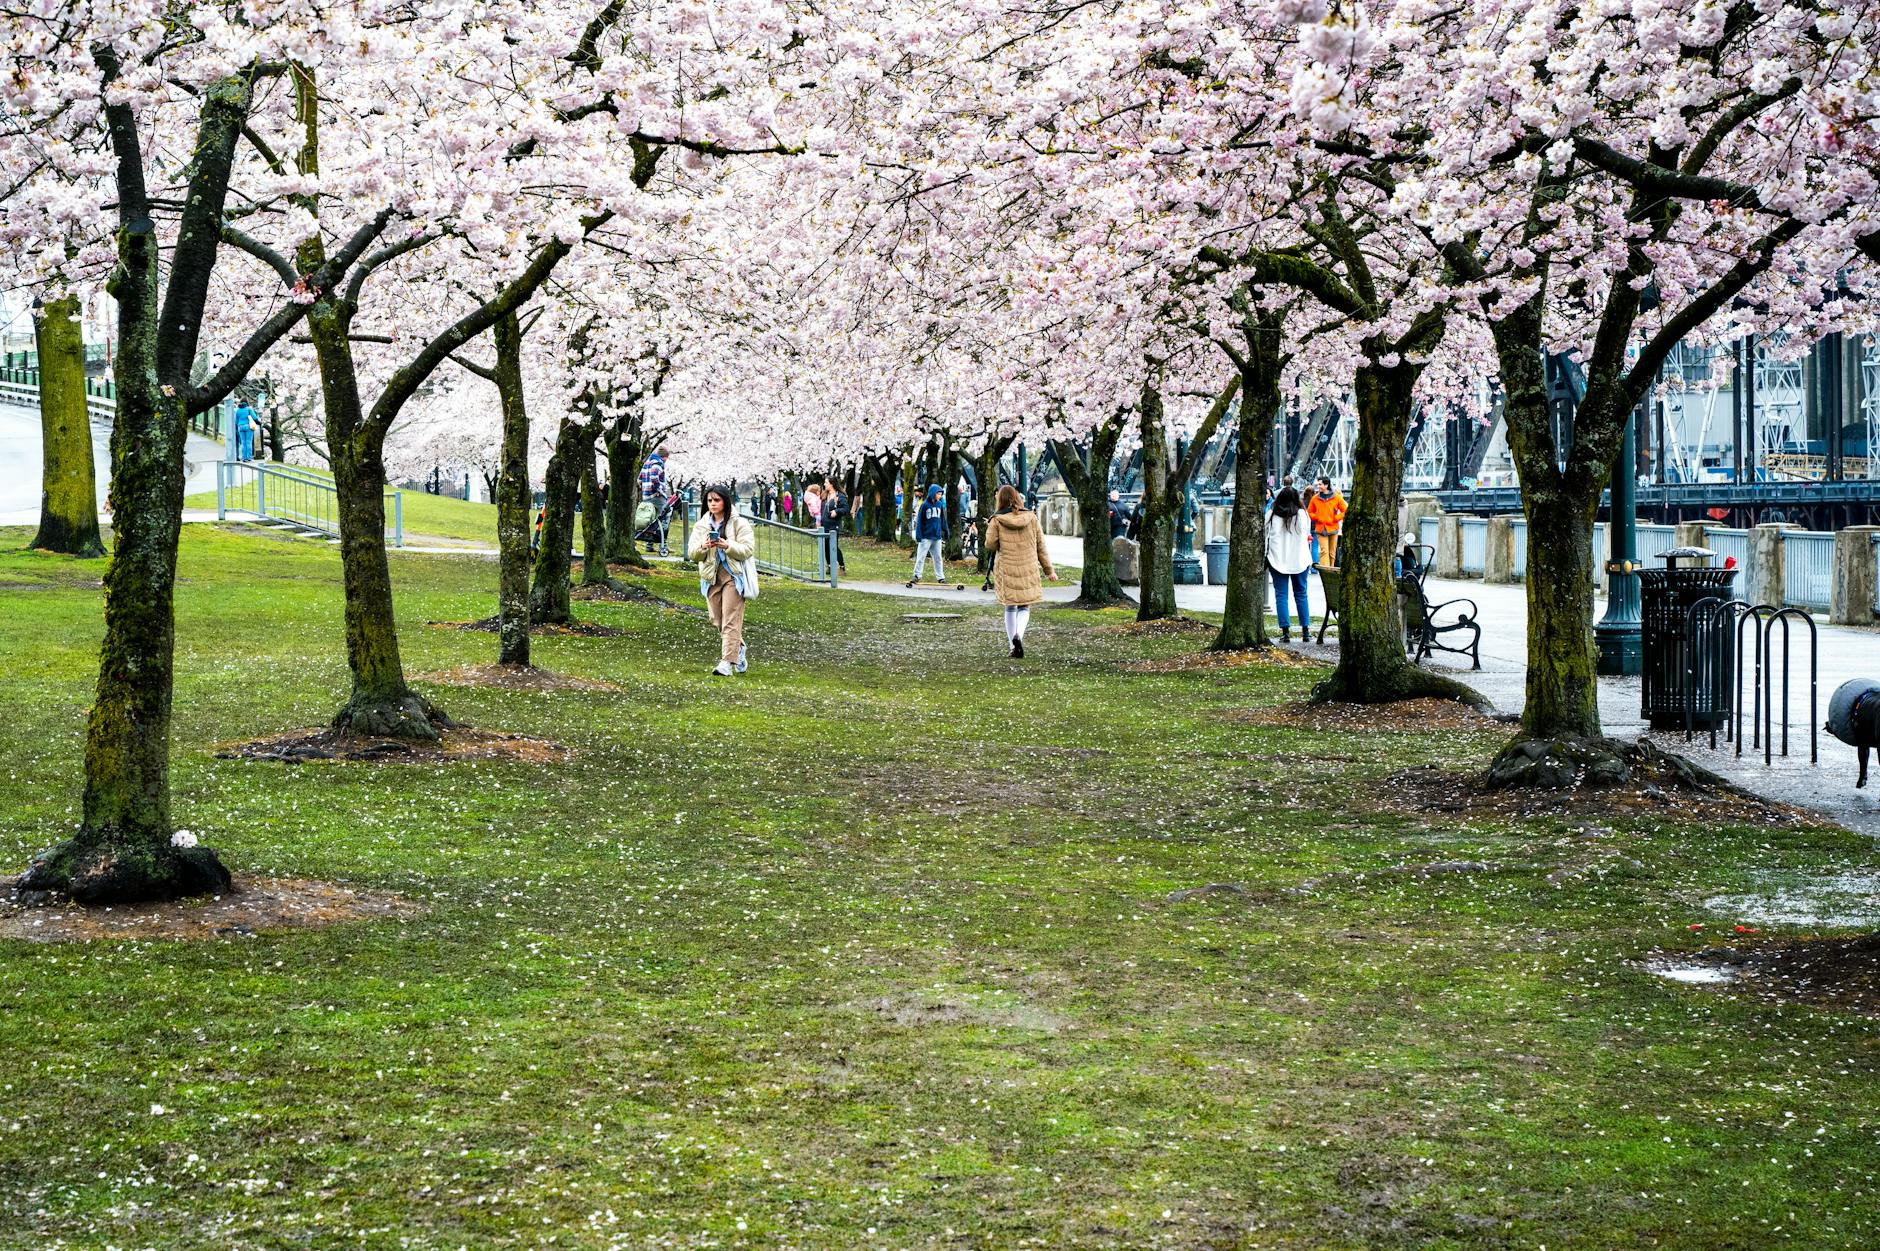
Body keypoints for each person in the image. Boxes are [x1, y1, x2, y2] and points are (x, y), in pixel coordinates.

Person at [685, 485, 756, 676]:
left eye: (717, 500)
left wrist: (727, 545)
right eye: (709, 500)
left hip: (733, 576)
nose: (713, 504)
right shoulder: (701, 525)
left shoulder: (739, 523)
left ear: (725, 501)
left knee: (731, 619)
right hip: (711, 576)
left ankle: (726, 663)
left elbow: (748, 549)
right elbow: (692, 553)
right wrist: (704, 546)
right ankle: (738, 648)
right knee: (717, 620)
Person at [984, 484, 1056, 658]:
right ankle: (1019, 635)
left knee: (1010, 606)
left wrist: (989, 527)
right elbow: (1041, 546)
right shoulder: (1031, 517)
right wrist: (1049, 570)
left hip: (1007, 567)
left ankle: (1012, 645)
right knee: (1025, 605)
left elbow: (990, 545)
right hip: (1028, 567)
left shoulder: (997, 520)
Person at [1266, 486, 1312, 642]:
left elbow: (1265, 532)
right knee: (1301, 594)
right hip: (1300, 559)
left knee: (1281, 595)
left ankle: (1285, 632)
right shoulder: (1302, 514)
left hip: (1277, 559)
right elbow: (1306, 533)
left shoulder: (1272, 514)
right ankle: (1306, 630)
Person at [908, 484, 949, 586]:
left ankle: (940, 577)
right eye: (938, 494)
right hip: (926, 536)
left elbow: (942, 519)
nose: (940, 496)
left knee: (938, 558)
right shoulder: (924, 505)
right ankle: (917, 575)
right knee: (921, 557)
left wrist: (946, 531)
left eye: (941, 494)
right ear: (933, 493)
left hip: (937, 536)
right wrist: (918, 535)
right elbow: (919, 521)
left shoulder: (939, 505)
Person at [1306, 476, 1346, 568]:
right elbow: (1310, 512)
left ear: (1326, 485)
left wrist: (1336, 518)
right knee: (1324, 551)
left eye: (1320, 484)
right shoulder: (1315, 498)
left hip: (1333, 528)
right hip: (1320, 529)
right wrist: (1317, 517)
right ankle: (1326, 572)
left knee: (1332, 553)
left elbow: (1345, 511)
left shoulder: (1337, 498)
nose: (1318, 486)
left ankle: (1330, 570)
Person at [821, 477, 848, 572]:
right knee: (826, 546)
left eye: (826, 482)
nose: (824, 484)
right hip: (825, 524)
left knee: (833, 546)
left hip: (834, 524)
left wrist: (836, 511)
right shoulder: (825, 495)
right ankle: (829, 566)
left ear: (832, 484)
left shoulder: (840, 496)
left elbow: (845, 509)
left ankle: (841, 566)